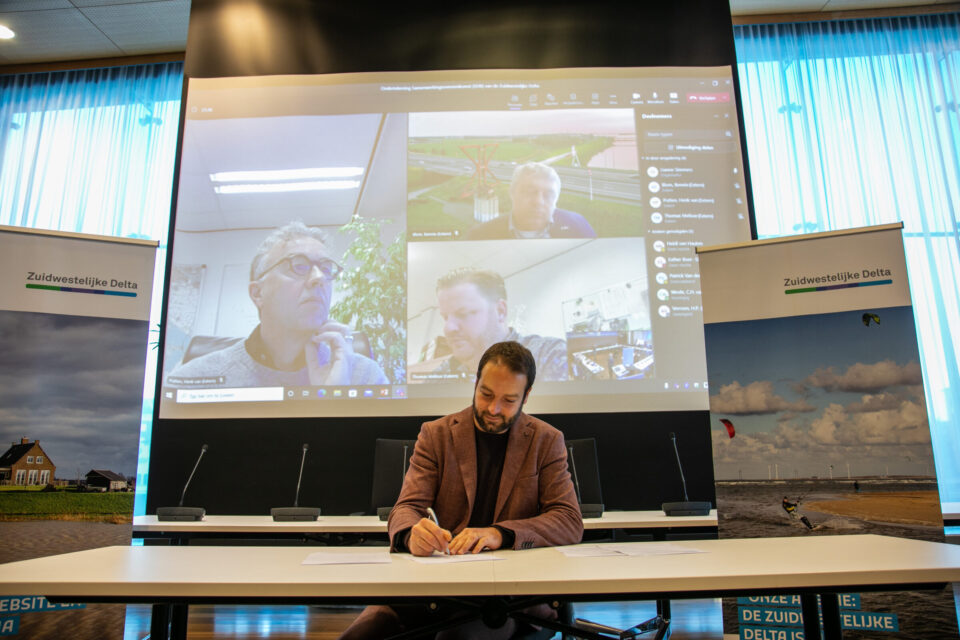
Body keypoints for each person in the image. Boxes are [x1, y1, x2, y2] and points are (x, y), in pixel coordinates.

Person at [339, 341, 583, 639]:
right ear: (475, 382)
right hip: (432, 589)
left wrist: (500, 533)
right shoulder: (436, 434)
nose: (493, 409)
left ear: (526, 396)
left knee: (457, 637)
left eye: (508, 400)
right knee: (360, 635)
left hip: (509, 598)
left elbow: (569, 520)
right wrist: (410, 535)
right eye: (486, 394)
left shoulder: (546, 441)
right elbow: (406, 508)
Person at [166, 221, 387, 387]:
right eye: (298, 265)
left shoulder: (364, 375)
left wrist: (334, 397)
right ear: (258, 293)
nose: (319, 278)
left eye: (326, 268)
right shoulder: (195, 378)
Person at [410, 268, 568, 382]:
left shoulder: (548, 355)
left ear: (500, 311)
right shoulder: (443, 373)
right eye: (445, 317)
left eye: (463, 314)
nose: (448, 328)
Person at [466, 162, 597, 239]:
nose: (538, 201)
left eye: (548, 195)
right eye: (530, 192)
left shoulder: (578, 226)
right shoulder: (479, 235)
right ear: (512, 193)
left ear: (556, 200)